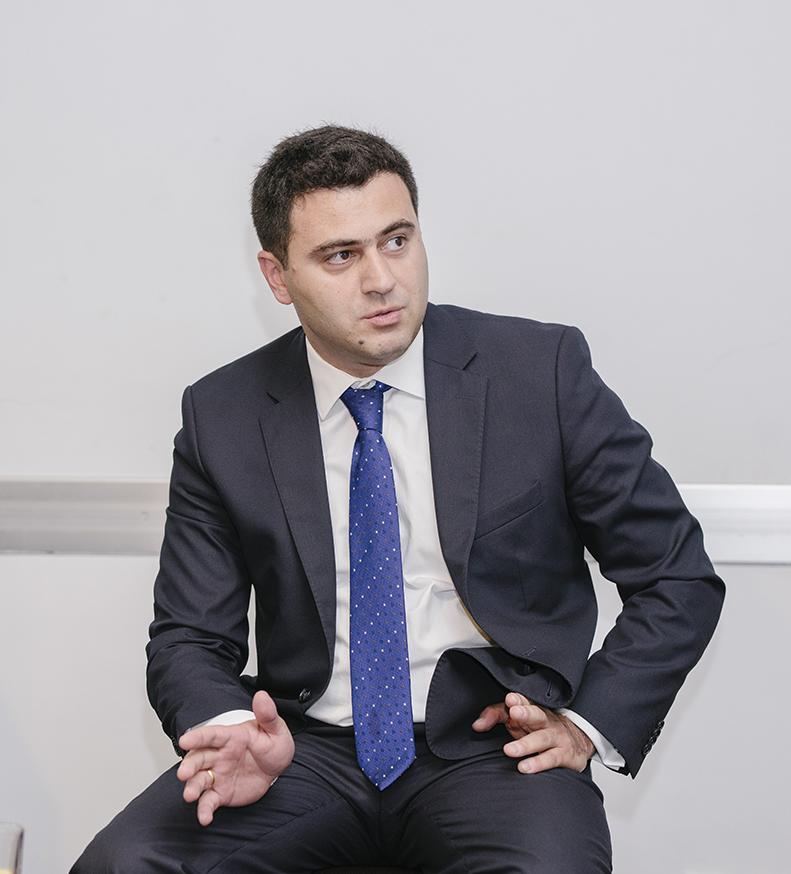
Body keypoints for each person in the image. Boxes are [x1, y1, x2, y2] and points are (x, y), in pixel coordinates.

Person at [73, 127, 724, 873]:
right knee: (124, 864)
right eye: (340, 256)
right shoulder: (223, 415)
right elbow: (189, 635)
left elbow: (676, 576)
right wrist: (233, 729)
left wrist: (585, 722)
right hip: (302, 752)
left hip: (494, 746)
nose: (382, 279)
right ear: (277, 276)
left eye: (396, 240)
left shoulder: (538, 373)